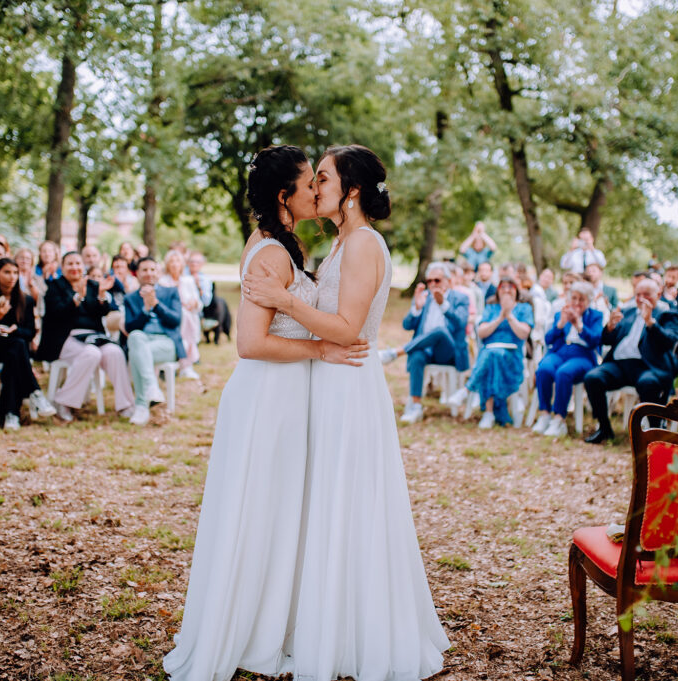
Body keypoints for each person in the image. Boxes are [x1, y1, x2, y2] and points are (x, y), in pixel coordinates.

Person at [241, 144, 449, 680]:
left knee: (348, 505)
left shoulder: (362, 244)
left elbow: (350, 329)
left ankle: (358, 634)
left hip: (349, 385)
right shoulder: (341, 243)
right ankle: (325, 626)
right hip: (329, 383)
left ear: (350, 191)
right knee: (328, 506)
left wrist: (284, 301)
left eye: (325, 178)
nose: (317, 187)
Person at [163, 145, 368, 681]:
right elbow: (250, 343)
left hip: (280, 396)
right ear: (285, 196)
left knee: (273, 515)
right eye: (309, 185)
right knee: (260, 513)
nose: (317, 192)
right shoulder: (275, 252)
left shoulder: (283, 242)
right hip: (268, 397)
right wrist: (321, 350)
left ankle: (267, 622)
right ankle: (248, 632)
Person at [582, 278, 678, 443]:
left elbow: (669, 341)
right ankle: (604, 428)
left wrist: (650, 322)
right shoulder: (628, 312)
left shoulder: (668, 314)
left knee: (648, 383)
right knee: (593, 377)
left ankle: (654, 432)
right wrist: (609, 328)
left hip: (648, 366)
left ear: (657, 294)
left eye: (646, 295)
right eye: (638, 294)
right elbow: (607, 340)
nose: (641, 298)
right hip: (620, 365)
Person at [37, 251, 134, 421]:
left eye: (78, 263)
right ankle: (64, 402)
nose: (74, 267)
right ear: (63, 267)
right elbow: (56, 313)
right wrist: (77, 298)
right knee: (91, 354)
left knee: (115, 352)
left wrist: (102, 295)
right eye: (70, 264)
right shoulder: (55, 287)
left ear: (83, 267)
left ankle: (125, 404)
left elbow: (105, 311)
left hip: (94, 337)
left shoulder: (92, 286)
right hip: (63, 338)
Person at [379, 261, 470, 424]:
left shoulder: (460, 298)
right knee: (416, 355)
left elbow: (461, 324)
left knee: (440, 330)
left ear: (448, 281)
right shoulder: (425, 298)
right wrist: (417, 308)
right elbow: (407, 325)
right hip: (425, 349)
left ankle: (395, 353)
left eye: (437, 280)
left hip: (448, 352)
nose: (432, 284)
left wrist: (443, 305)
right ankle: (415, 406)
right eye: (429, 281)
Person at [0, 259, 56, 429]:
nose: (12, 277)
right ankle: (34, 393)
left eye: (15, 273)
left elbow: (30, 332)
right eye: (7, 272)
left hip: (15, 349)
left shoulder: (26, 300)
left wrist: (14, 330)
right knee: (17, 348)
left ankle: (10, 414)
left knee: (15, 350)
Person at [447, 276, 532, 429]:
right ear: (498, 290)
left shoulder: (524, 308)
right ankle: (489, 412)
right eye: (503, 287)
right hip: (490, 353)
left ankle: (474, 397)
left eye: (510, 287)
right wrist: (500, 317)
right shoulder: (491, 308)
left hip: (512, 356)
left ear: (516, 291)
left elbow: (523, 334)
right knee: (492, 356)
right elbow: (481, 332)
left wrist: (509, 315)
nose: (506, 291)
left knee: (492, 356)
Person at [531, 281, 603, 437]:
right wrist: (561, 324)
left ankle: (559, 419)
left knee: (564, 373)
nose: (577, 303)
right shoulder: (560, 313)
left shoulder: (596, 316)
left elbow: (595, 340)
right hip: (559, 352)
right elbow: (548, 339)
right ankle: (544, 414)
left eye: (581, 299)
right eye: (574, 298)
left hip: (582, 355)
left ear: (588, 301)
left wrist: (579, 325)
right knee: (544, 369)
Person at [123, 257, 184, 425]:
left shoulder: (171, 292)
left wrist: (156, 304)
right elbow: (130, 328)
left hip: (166, 343)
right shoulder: (130, 298)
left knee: (138, 354)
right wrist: (145, 309)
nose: (149, 274)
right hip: (142, 340)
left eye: (152, 269)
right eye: (144, 270)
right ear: (137, 274)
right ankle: (152, 389)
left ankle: (141, 406)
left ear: (158, 272)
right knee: (135, 338)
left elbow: (175, 320)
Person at [159, 250, 202, 378]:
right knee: (183, 315)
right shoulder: (163, 281)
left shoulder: (188, 280)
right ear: (167, 264)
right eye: (171, 261)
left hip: (188, 317)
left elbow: (198, 304)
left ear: (182, 264)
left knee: (187, 315)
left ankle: (186, 365)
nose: (174, 264)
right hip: (171, 318)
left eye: (177, 261)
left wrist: (194, 303)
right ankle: (185, 364)